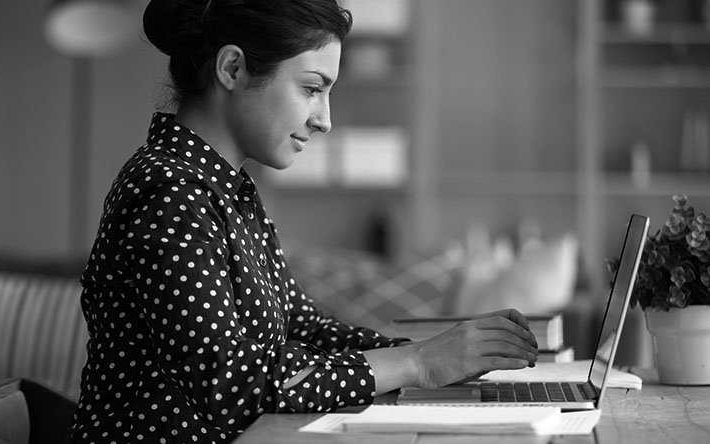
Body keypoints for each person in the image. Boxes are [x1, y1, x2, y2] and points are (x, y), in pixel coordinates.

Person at [69, 1, 539, 443]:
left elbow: (299, 324)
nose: (324, 120)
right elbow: (229, 384)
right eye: (312, 89)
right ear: (232, 69)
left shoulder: (224, 190)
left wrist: (435, 353)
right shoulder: (170, 193)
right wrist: (415, 362)